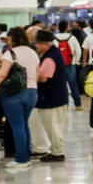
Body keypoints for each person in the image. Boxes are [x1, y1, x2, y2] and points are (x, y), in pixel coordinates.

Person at [0, 26, 39, 169]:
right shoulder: (33, 52)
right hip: (31, 92)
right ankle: (26, 156)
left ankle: (21, 160)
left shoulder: (10, 53)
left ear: (14, 39)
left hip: (14, 94)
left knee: (17, 125)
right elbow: (36, 72)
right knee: (23, 124)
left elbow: (3, 74)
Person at [31, 29, 69, 162]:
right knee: (52, 126)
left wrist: (30, 76)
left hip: (53, 98)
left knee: (53, 127)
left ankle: (57, 153)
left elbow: (43, 78)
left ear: (44, 44)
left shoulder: (50, 57)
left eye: (37, 43)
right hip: (55, 97)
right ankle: (54, 150)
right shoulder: (52, 53)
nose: (36, 46)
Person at [54, 21, 83, 111]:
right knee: (73, 84)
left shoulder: (54, 38)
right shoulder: (72, 38)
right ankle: (78, 105)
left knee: (61, 85)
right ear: (67, 27)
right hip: (70, 64)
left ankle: (64, 104)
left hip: (58, 65)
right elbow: (78, 51)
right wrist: (76, 61)